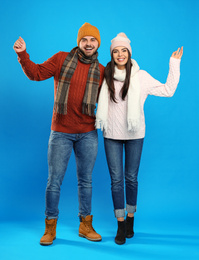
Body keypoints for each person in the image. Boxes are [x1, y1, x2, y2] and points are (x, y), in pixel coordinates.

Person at [13, 23, 105, 245]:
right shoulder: (62, 59)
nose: (89, 43)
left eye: (93, 40)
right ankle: (50, 227)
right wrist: (22, 54)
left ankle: (85, 225)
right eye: (85, 40)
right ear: (79, 42)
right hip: (61, 132)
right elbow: (35, 73)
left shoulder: (102, 71)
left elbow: (111, 101)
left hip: (88, 133)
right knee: (54, 181)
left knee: (86, 181)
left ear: (98, 44)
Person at [96, 33, 183, 245]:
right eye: (115, 51)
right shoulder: (104, 75)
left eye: (123, 50)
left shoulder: (140, 76)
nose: (119, 54)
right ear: (112, 54)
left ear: (129, 53)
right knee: (116, 181)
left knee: (131, 179)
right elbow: (87, 93)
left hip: (135, 135)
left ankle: (131, 220)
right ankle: (119, 224)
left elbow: (168, 90)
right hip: (111, 135)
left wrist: (174, 64)